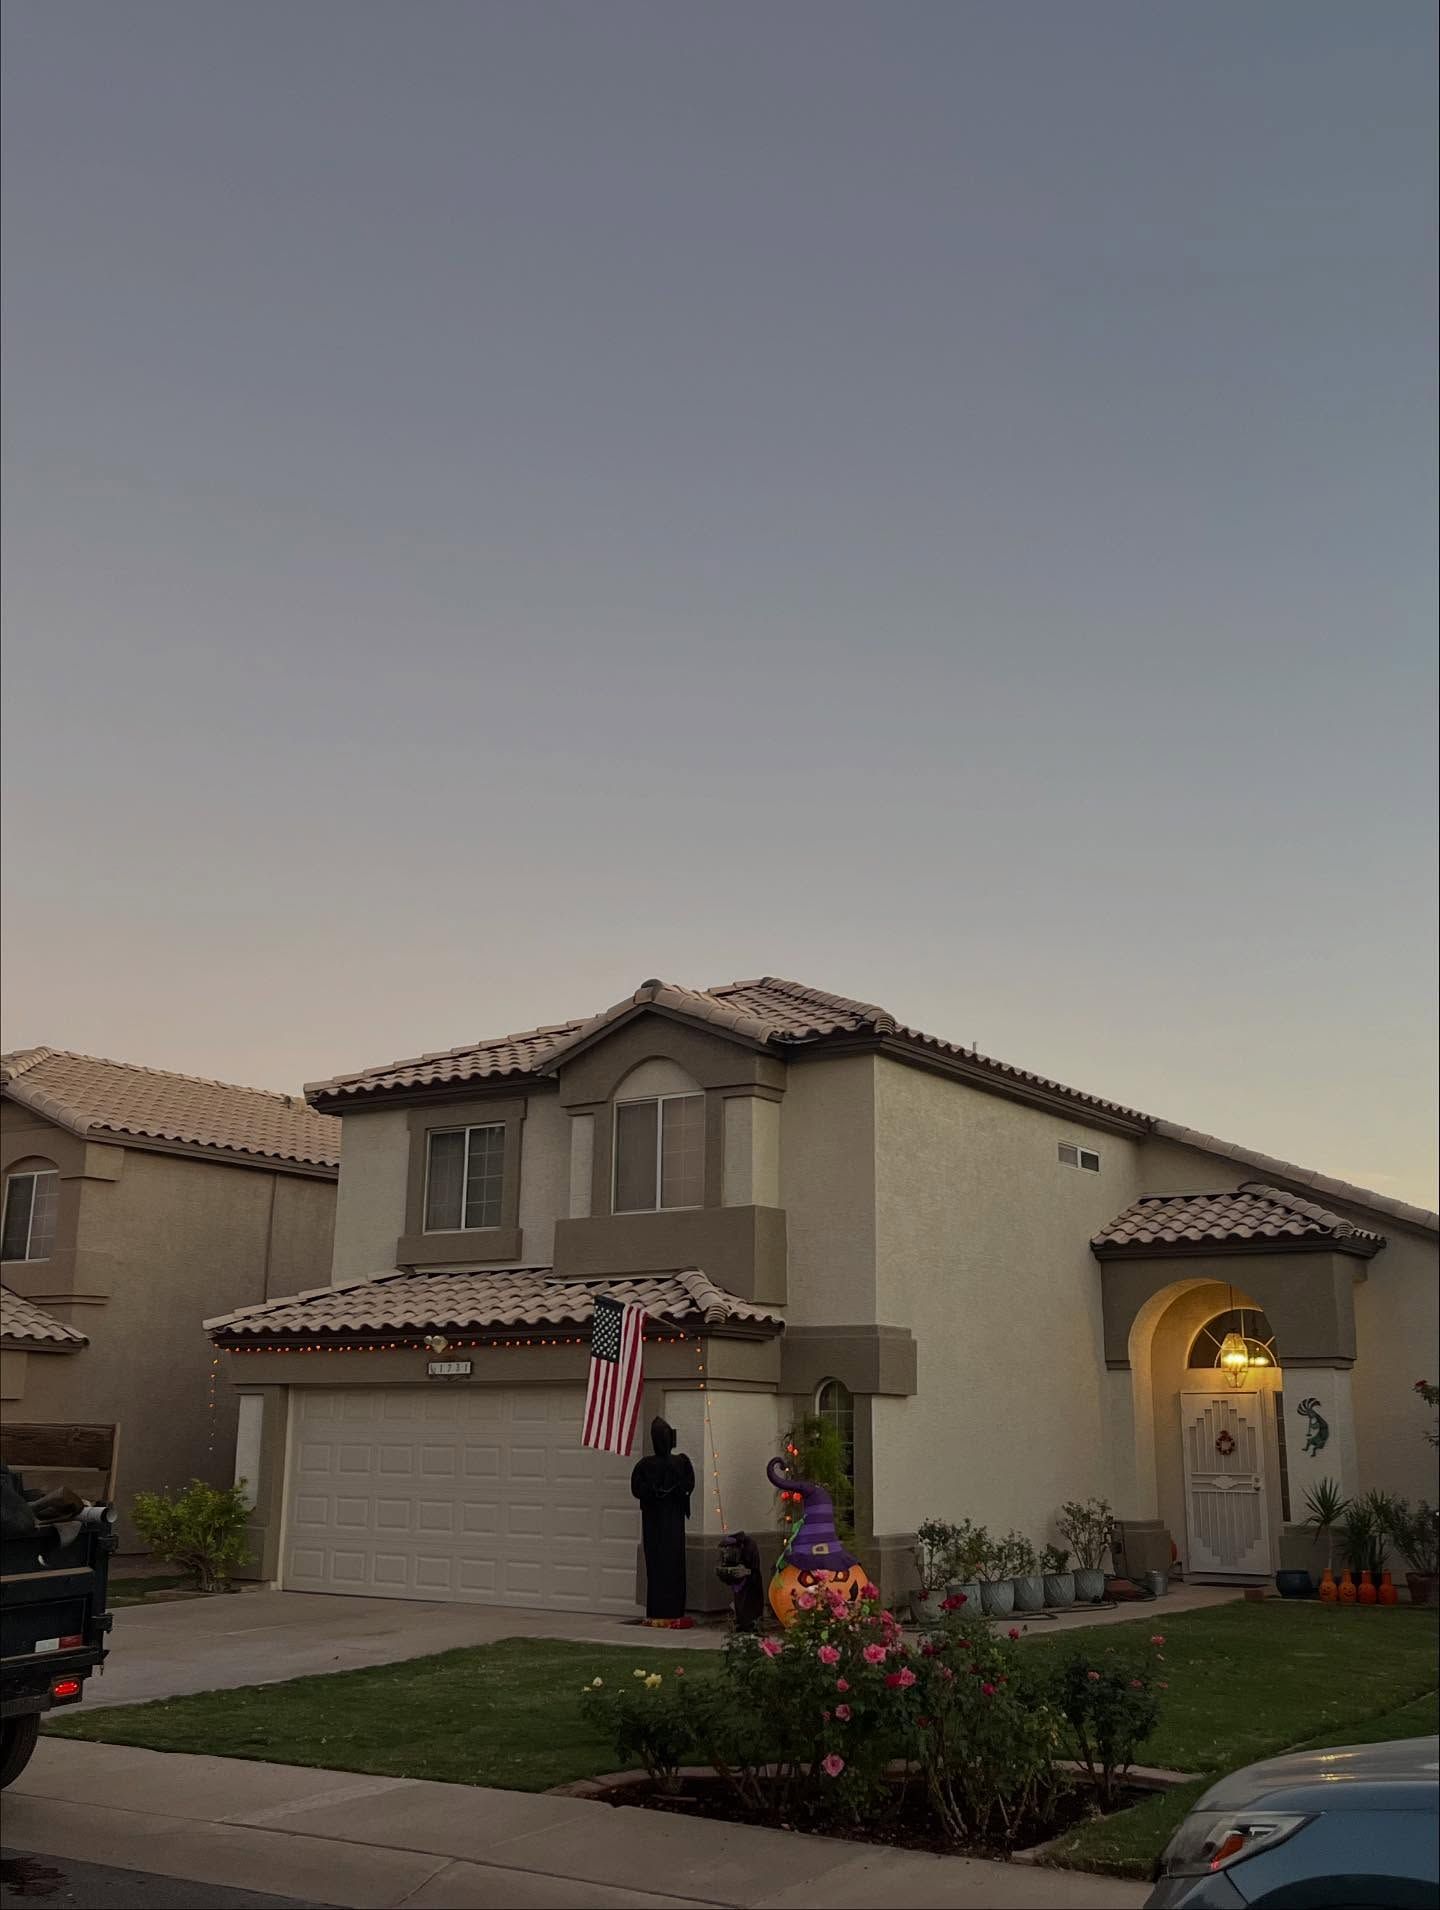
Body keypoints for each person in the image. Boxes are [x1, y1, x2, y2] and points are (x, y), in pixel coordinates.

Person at [630, 1417, 694, 1621]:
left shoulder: (680, 1463)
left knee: (672, 1564)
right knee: (657, 1566)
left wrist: (671, 1491)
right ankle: (659, 1610)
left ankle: (674, 1610)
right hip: (655, 1524)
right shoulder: (645, 1466)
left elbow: (687, 1486)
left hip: (672, 1523)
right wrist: (657, 1492)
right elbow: (637, 1490)